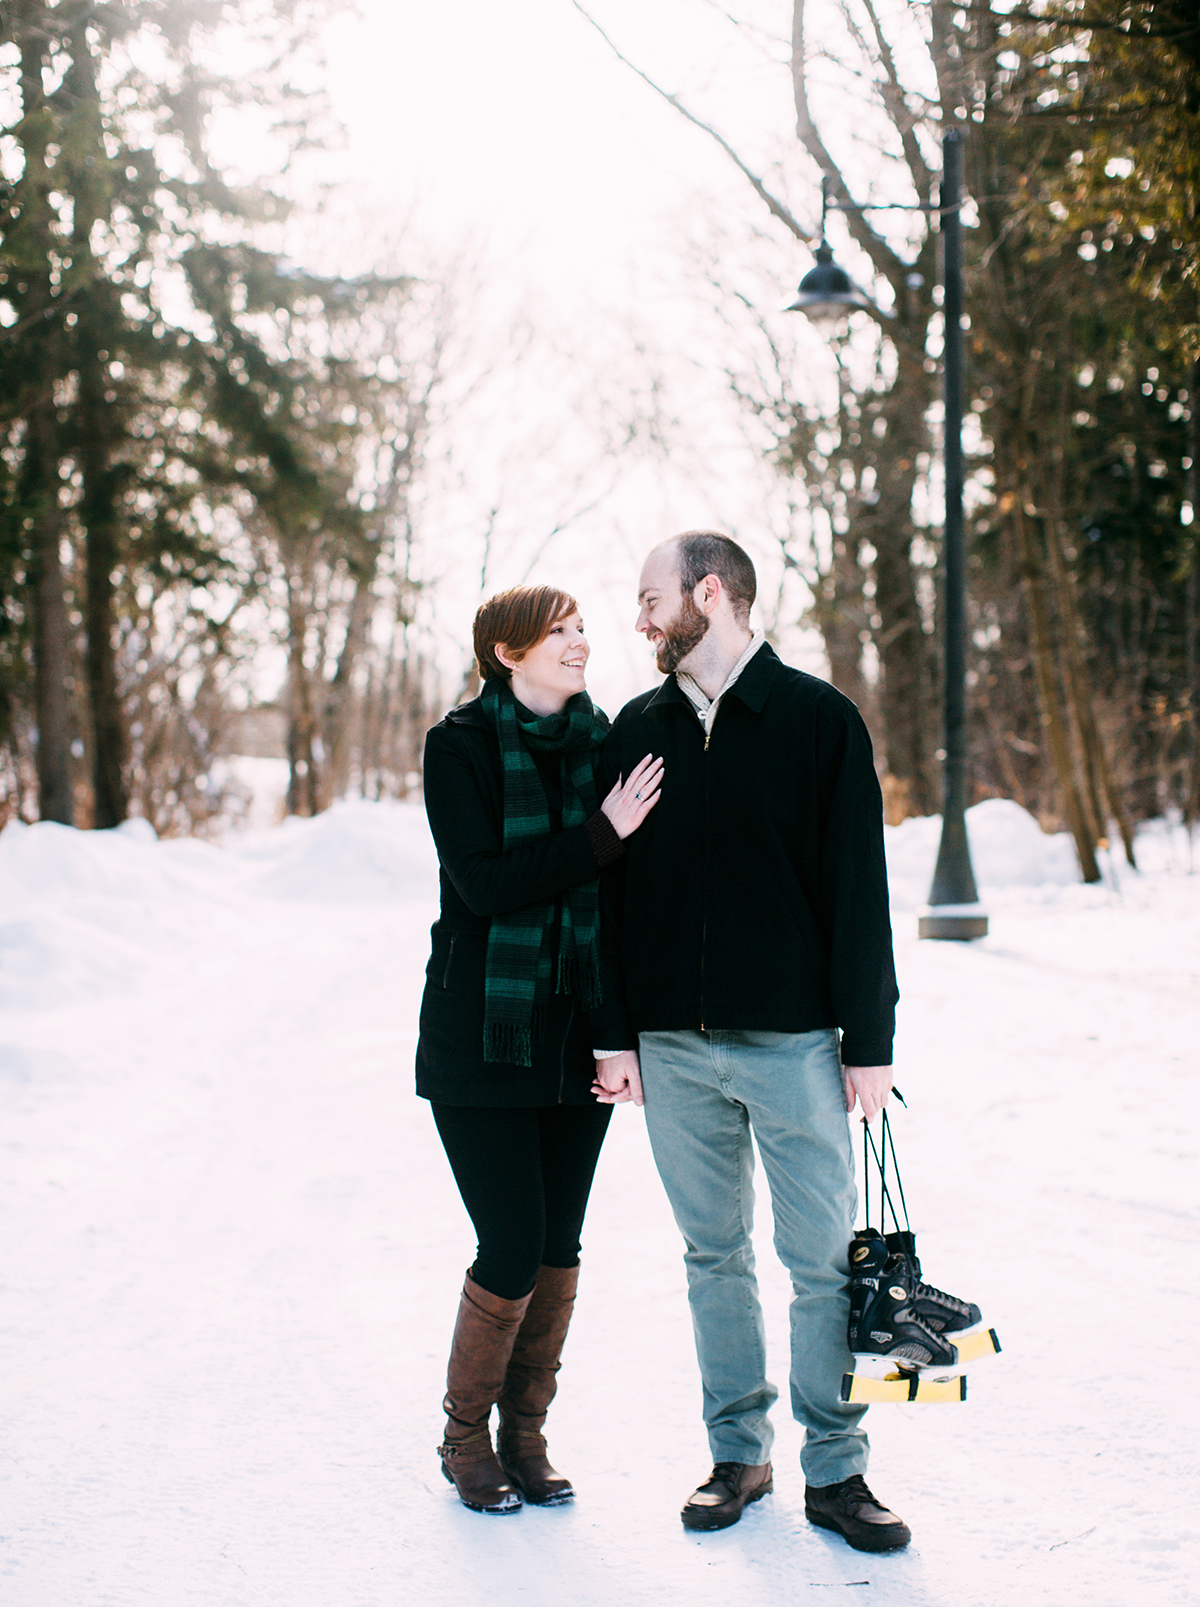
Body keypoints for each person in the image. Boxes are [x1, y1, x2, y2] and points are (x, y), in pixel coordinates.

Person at [592, 532, 909, 1554]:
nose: (638, 617)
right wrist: (618, 1031)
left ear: (710, 594)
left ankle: (837, 1468)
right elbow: (608, 893)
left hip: (797, 1045)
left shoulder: (820, 720)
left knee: (820, 1261)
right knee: (711, 1253)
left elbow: (861, 887)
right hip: (673, 1047)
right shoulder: (635, 728)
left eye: (651, 597)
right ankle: (738, 1452)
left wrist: (870, 1038)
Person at [416, 584, 660, 1516]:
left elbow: (616, 912)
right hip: (483, 1037)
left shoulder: (604, 748)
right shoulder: (460, 746)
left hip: (570, 1044)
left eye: (582, 629)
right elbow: (483, 885)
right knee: (510, 1241)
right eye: (558, 632)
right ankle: (463, 1438)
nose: (580, 642)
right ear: (506, 654)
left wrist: (615, 1037)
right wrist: (602, 835)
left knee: (559, 1246)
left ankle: (527, 1434)